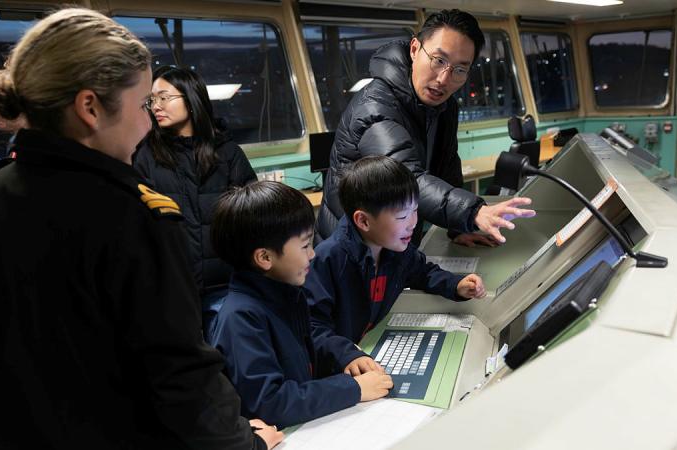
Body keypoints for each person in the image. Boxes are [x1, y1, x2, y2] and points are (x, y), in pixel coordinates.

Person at [0, 8, 281, 449]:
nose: (148, 118)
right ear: (90, 107)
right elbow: (181, 382)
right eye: (143, 103)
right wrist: (247, 443)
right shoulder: (137, 218)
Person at [317, 9, 535, 247]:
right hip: (348, 249)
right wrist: (473, 213)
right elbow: (407, 179)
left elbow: (447, 167)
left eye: (459, 69)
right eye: (439, 60)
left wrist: (458, 227)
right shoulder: (375, 106)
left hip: (392, 245)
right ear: (414, 50)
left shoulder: (444, 107)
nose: (443, 78)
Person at [207, 181, 394, 428]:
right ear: (265, 257)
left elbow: (308, 348)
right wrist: (353, 389)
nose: (312, 254)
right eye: (305, 245)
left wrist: (344, 355)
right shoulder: (240, 318)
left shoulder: (285, 292)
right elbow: (270, 403)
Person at [306, 156, 486, 375]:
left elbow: (422, 272)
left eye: (415, 210)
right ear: (363, 221)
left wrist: (455, 284)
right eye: (402, 216)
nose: (412, 223)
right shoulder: (329, 259)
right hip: (330, 367)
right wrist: (347, 354)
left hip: (362, 345)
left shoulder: (395, 249)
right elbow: (313, 327)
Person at [133, 66, 257, 331]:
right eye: (152, 99)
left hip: (225, 285)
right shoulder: (146, 156)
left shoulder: (227, 153)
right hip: (173, 288)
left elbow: (252, 215)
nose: (156, 106)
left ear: (191, 99)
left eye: (164, 97)